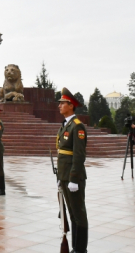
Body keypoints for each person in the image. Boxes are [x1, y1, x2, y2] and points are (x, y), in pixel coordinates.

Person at [56, 87, 88, 253]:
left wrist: (74, 178)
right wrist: (60, 177)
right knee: (72, 213)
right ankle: (75, 247)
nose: (59, 105)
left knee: (79, 215)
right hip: (65, 176)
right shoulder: (65, 126)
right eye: (60, 103)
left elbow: (78, 155)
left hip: (73, 177)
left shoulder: (77, 127)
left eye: (62, 103)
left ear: (71, 105)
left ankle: (81, 249)